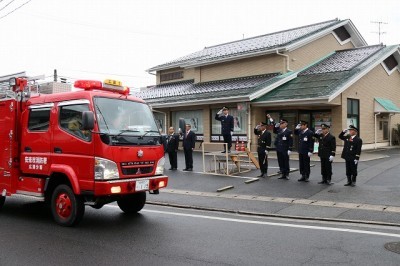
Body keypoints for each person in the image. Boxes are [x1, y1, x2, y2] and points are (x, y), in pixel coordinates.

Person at [267, 114, 293, 180]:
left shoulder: (289, 131)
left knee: (285, 161)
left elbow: (290, 140)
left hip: (285, 149)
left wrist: (290, 149)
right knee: (280, 161)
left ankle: (287, 174)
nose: (280, 125)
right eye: (280, 123)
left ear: (286, 124)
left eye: (282, 123)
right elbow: (274, 125)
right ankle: (282, 173)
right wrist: (270, 118)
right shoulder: (279, 130)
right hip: (279, 148)